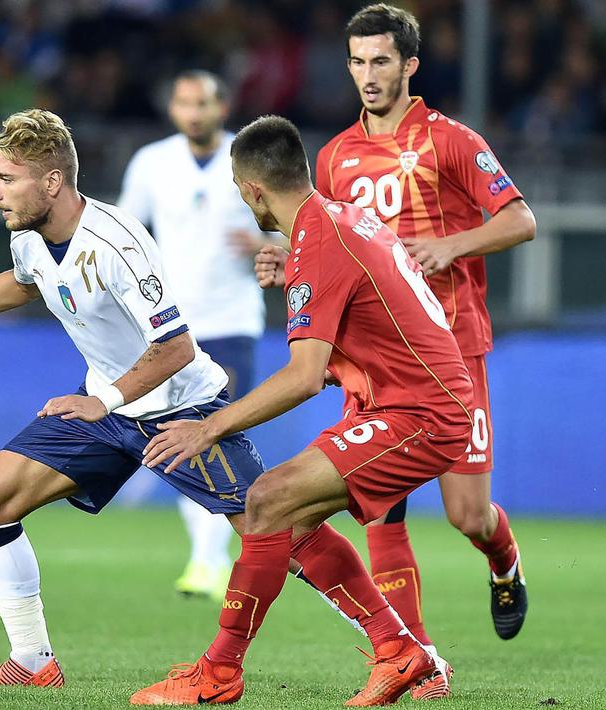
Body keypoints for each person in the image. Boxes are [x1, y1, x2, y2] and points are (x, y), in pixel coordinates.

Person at [0, 110, 426, 699]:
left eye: (6, 178)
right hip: (106, 406)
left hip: (180, 407)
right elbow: (28, 279)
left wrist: (102, 400)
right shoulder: (29, 235)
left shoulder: (117, 242)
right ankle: (31, 660)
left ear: (51, 183)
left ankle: (401, 647)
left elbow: (175, 347)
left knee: (285, 525)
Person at [130, 115, 471, 706]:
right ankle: (398, 650)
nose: (243, 199)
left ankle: (218, 672)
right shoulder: (342, 218)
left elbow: (303, 378)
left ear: (253, 190)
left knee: (265, 500)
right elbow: (371, 294)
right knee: (294, 523)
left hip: (422, 413)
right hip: (401, 402)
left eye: (241, 190)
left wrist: (209, 427)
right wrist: (295, 273)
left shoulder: (319, 242)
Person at [259, 2, 536, 654]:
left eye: (380, 60)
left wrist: (454, 245)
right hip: (377, 359)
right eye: (356, 61)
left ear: (409, 64)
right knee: (380, 507)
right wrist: (284, 259)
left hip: (451, 349)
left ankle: (501, 559)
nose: (367, 74)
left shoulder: (452, 140)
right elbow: (323, 242)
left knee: (467, 514)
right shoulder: (332, 158)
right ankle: (414, 656)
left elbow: (520, 220)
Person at [119, 70, 279, 598]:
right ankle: (208, 557)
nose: (194, 112)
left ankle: (208, 560)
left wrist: (262, 241)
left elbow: (292, 225)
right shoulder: (152, 162)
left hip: (232, 319)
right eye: (184, 102)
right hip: (171, 327)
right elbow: (125, 234)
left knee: (214, 432)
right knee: (187, 437)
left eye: (203, 103)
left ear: (222, 106)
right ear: (172, 108)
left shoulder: (250, 156)